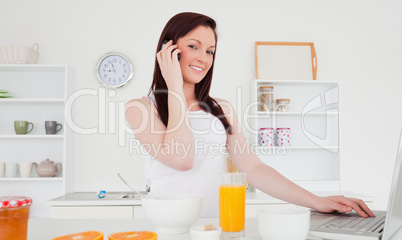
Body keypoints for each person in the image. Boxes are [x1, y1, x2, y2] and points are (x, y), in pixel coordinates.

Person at [125, 12, 374, 218]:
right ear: (168, 50)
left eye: (210, 51)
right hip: (166, 229)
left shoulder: (221, 109)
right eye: (194, 46)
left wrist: (316, 201)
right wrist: (174, 87)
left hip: (214, 229)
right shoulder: (142, 109)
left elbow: (253, 169)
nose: (203, 58)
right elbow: (182, 159)